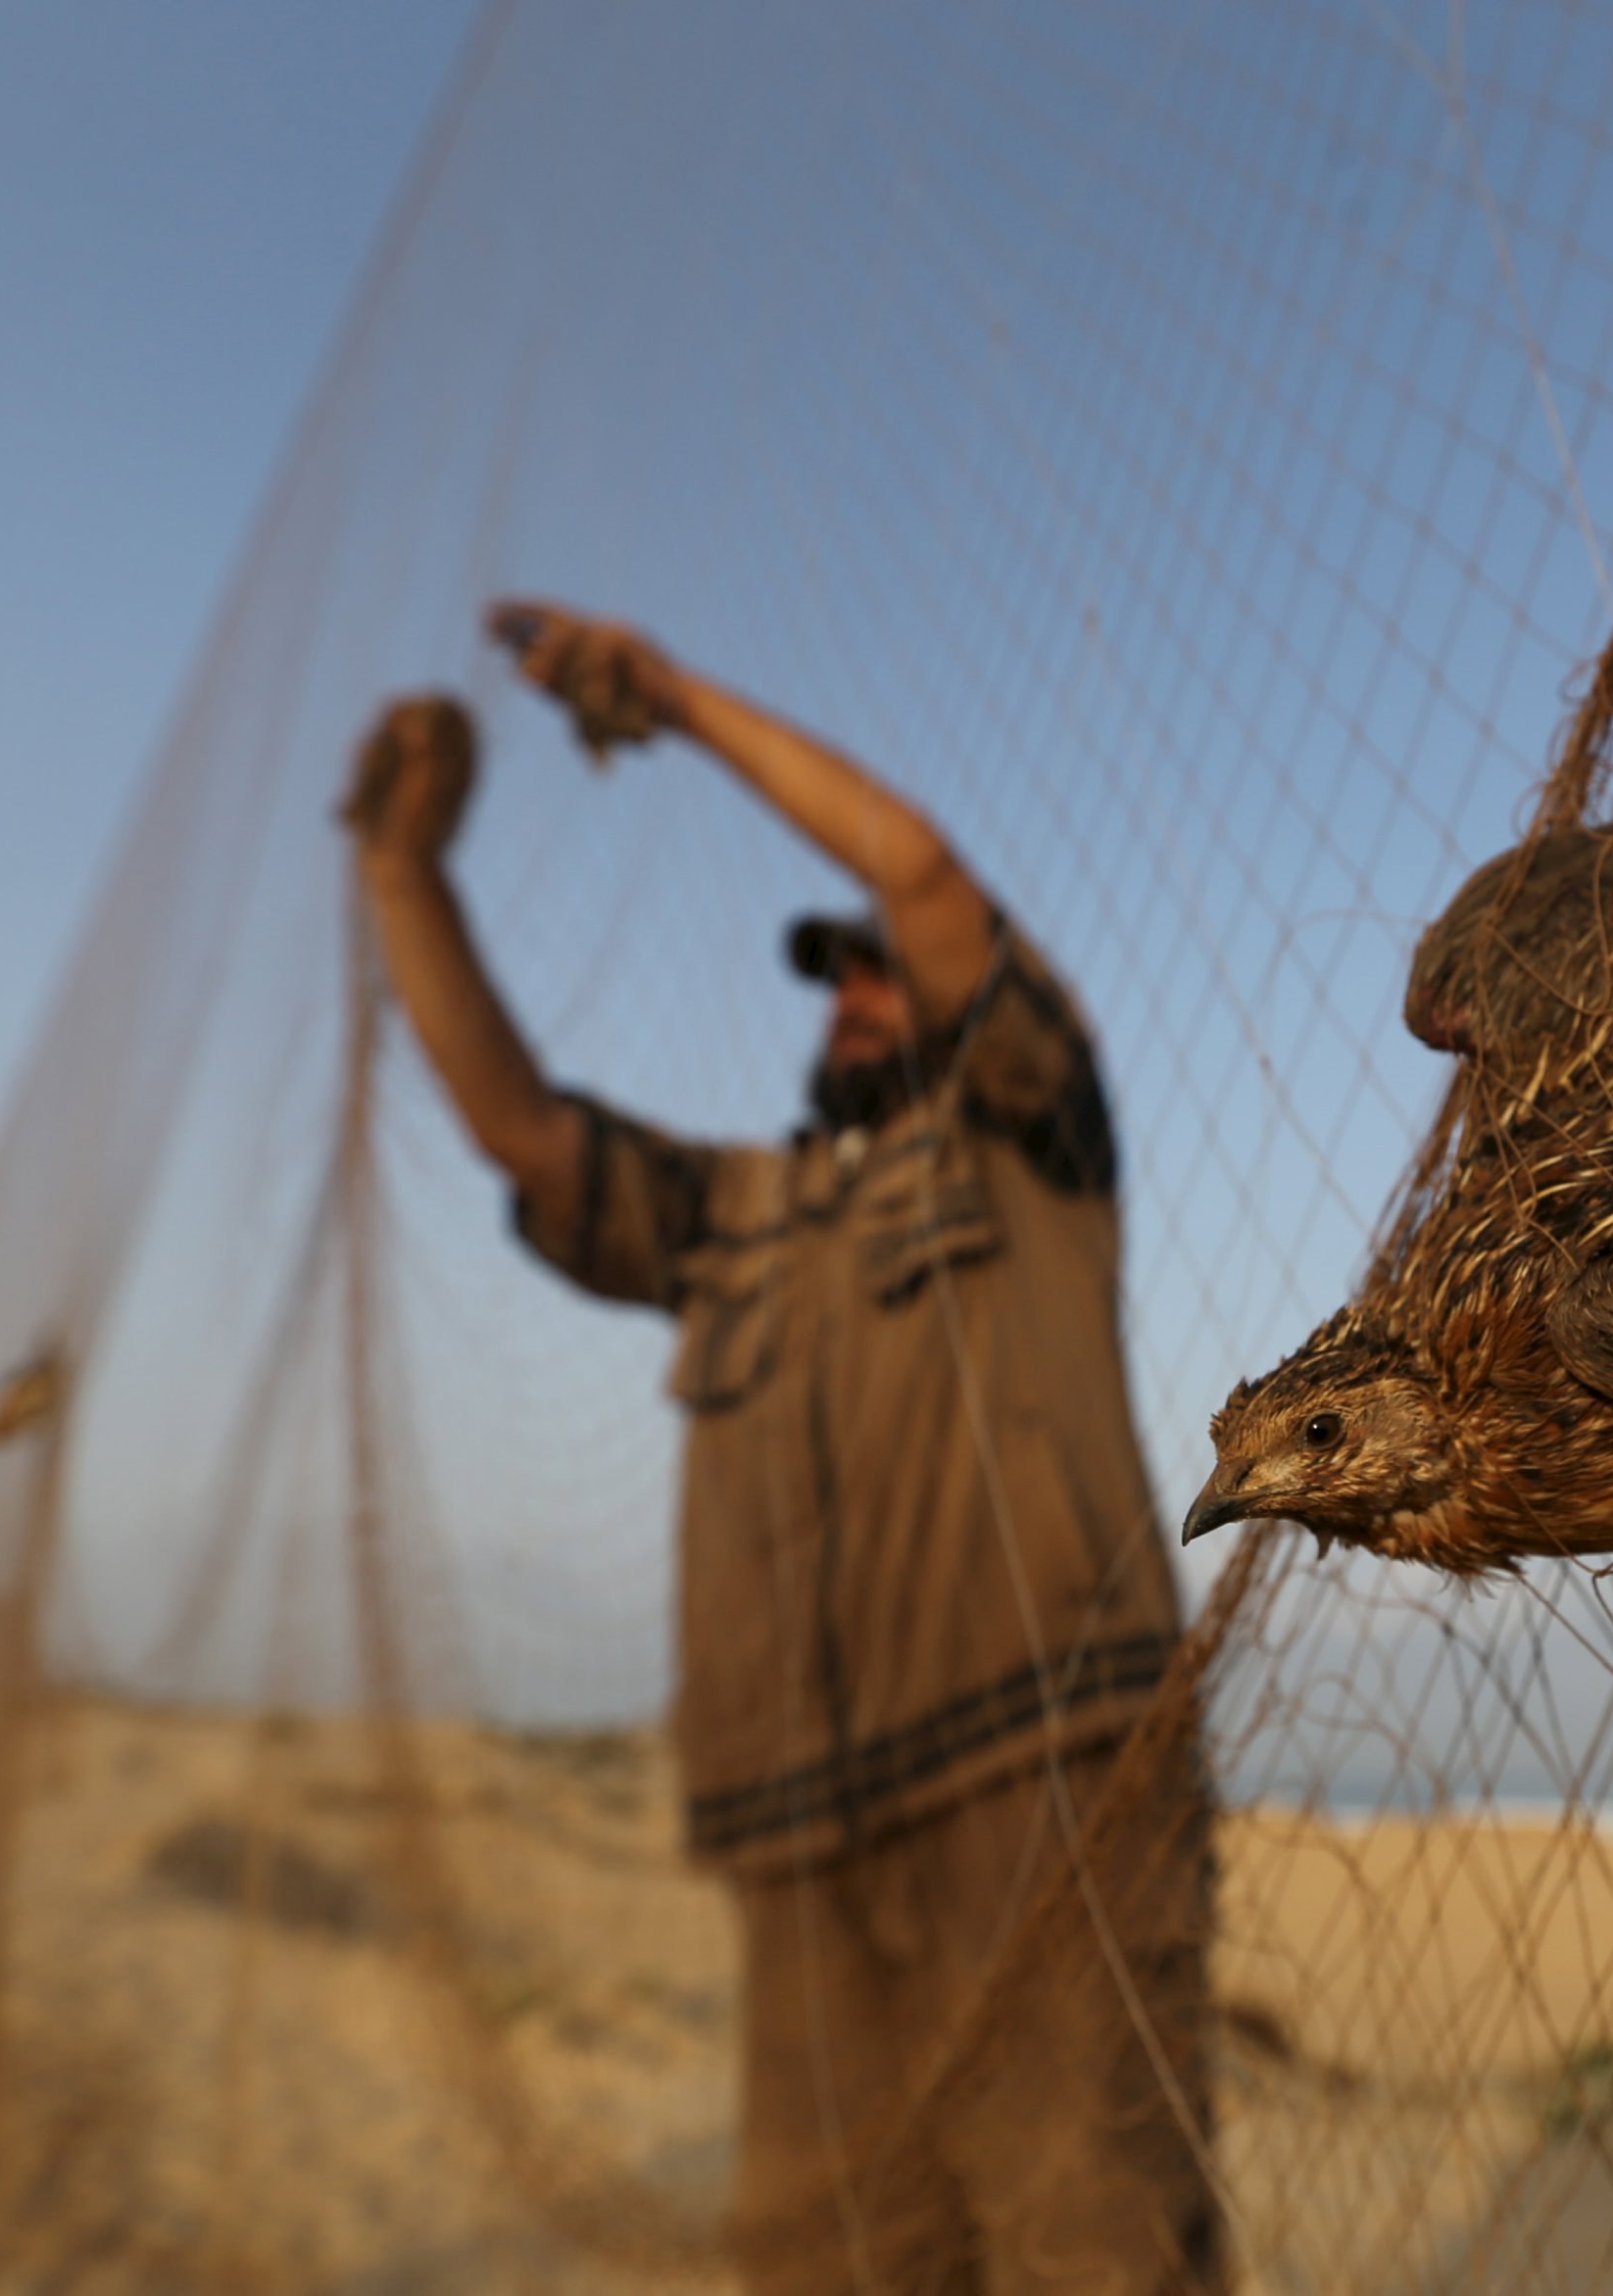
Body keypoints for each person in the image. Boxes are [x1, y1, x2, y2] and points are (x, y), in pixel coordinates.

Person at [342, 603, 1218, 2295]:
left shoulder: (1035, 1149)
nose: (865, 994)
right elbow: (521, 1129)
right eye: (844, 983)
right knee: (828, 2263)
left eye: (886, 971)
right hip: (797, 1836)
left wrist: (668, 698)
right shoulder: (731, 1216)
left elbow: (931, 878)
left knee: (1096, 2247)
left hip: (1038, 1785)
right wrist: (402, 875)